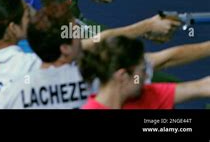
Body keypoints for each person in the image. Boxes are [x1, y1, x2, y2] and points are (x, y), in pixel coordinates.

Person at [0, 1, 182, 109]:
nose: (81, 38)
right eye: (76, 35)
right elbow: (163, 59)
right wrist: (148, 26)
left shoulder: (14, 91)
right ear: (65, 48)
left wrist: (147, 27)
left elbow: (100, 39)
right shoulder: (94, 75)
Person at [80, 36, 210, 109]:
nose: (147, 75)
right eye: (142, 71)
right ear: (123, 76)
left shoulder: (147, 94)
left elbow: (202, 87)